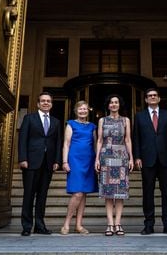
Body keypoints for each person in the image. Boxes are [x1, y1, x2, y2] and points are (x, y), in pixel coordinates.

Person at [133, 88, 167, 235]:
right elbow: (136, 139)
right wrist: (137, 157)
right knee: (148, 194)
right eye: (149, 96)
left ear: (159, 98)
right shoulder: (139, 116)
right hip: (147, 160)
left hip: (166, 160)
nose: (152, 98)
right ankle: (149, 225)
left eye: (155, 96)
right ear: (146, 99)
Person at [18, 92, 62, 236]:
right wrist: (22, 158)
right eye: (43, 101)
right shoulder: (29, 118)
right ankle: (26, 226)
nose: (46, 103)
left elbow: (58, 143)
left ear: (51, 104)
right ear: (38, 104)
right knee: (29, 194)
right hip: (31, 162)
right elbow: (22, 140)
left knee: (42, 196)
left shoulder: (56, 122)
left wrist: (57, 161)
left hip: (48, 163)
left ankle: (39, 225)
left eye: (48, 101)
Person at [95, 94, 134, 236]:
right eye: (111, 102)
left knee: (120, 192)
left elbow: (128, 139)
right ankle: (110, 224)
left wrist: (131, 158)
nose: (113, 104)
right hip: (106, 156)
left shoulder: (126, 120)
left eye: (116, 102)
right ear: (108, 105)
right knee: (108, 193)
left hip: (121, 156)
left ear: (119, 104)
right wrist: (97, 159)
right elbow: (99, 140)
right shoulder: (102, 120)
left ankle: (118, 224)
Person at [60, 101, 98, 235]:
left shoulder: (92, 126)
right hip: (75, 160)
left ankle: (79, 225)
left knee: (84, 193)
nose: (83, 111)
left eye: (85, 109)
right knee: (77, 193)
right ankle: (66, 223)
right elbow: (66, 144)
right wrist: (65, 162)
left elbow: (95, 145)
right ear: (76, 111)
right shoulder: (71, 124)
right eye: (80, 109)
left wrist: (97, 160)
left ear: (88, 111)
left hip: (89, 160)